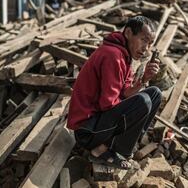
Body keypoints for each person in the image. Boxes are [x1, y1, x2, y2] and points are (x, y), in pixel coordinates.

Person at [67, 16, 161, 170]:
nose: (146, 48)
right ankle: (105, 150)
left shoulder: (124, 55)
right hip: (88, 131)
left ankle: (125, 142)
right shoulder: (112, 55)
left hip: (100, 123)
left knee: (154, 94)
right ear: (129, 33)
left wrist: (144, 79)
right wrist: (135, 109)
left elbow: (124, 93)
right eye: (143, 40)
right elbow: (108, 104)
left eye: (150, 43)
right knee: (143, 101)